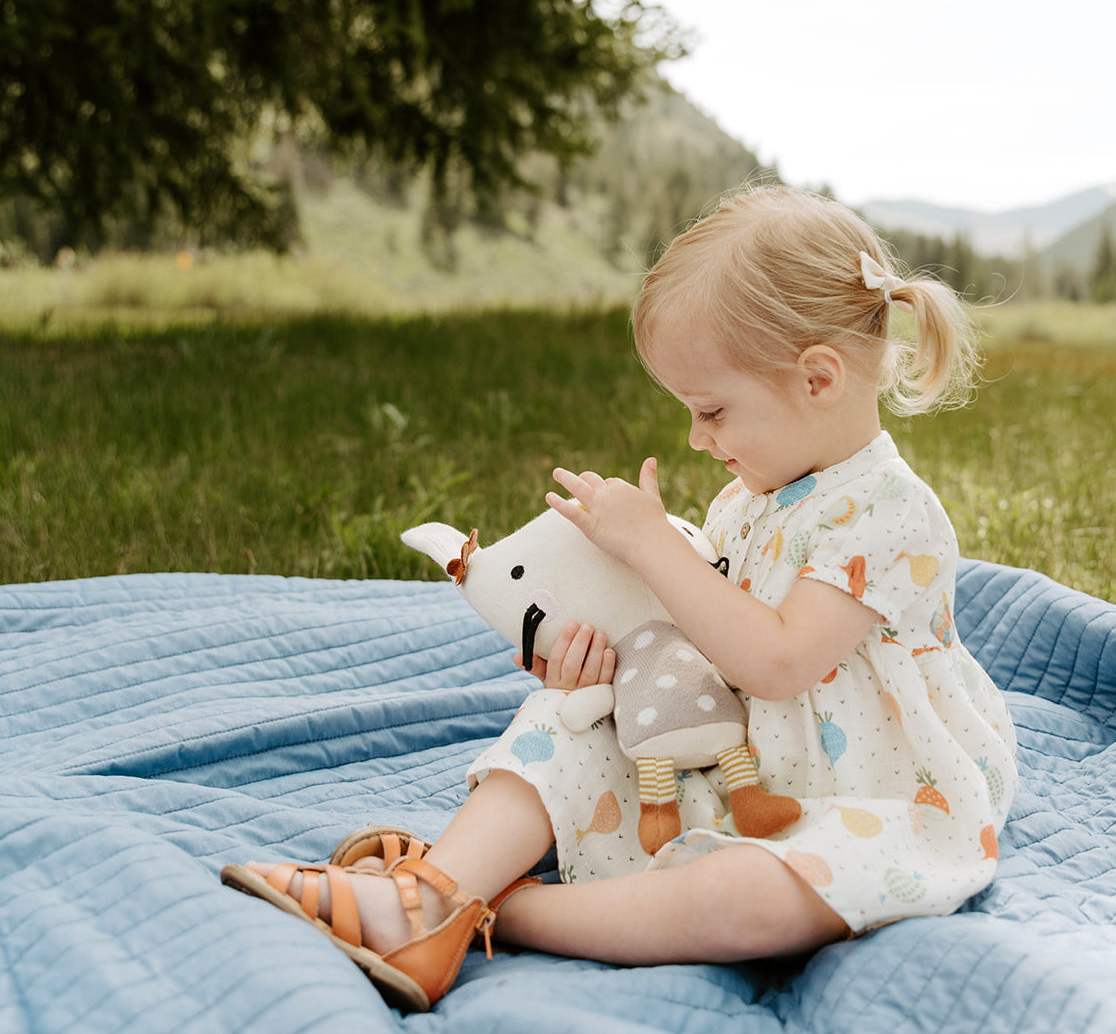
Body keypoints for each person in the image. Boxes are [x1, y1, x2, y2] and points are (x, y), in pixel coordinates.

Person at [222, 185, 1019, 1012]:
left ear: (818, 378)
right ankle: (432, 893)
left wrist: (649, 544)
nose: (694, 438)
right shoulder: (747, 500)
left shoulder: (888, 512)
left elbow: (777, 662)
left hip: (867, 794)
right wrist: (602, 669)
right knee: (565, 728)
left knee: (753, 897)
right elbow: (702, 646)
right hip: (737, 754)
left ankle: (496, 911)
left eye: (710, 410)